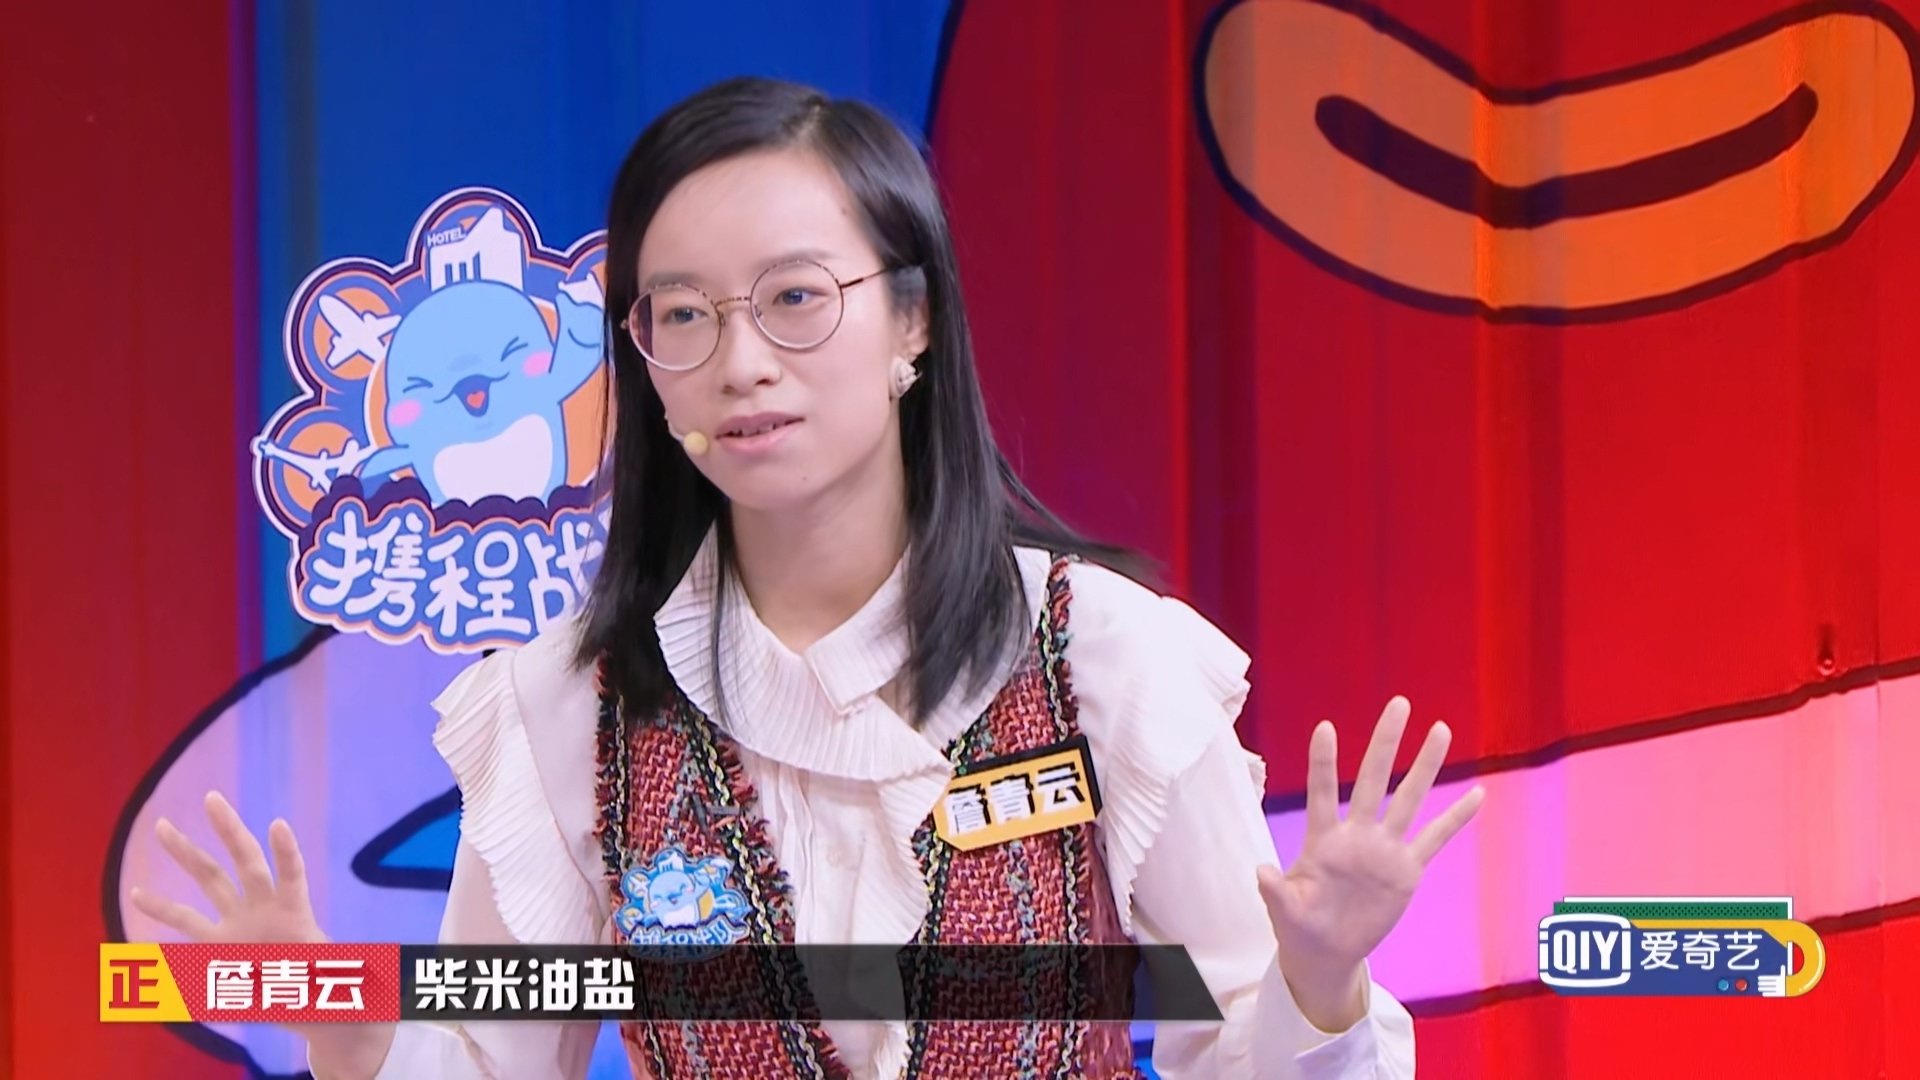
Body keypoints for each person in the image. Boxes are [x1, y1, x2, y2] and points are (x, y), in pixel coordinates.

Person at [131, 76, 1484, 1079]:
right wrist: (344, 1022)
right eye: (683, 315)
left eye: (794, 298)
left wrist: (1319, 977)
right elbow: (494, 1058)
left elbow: (1240, 1048)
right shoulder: (569, 705)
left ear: (912, 321)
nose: (741, 364)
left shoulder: (1103, 658)